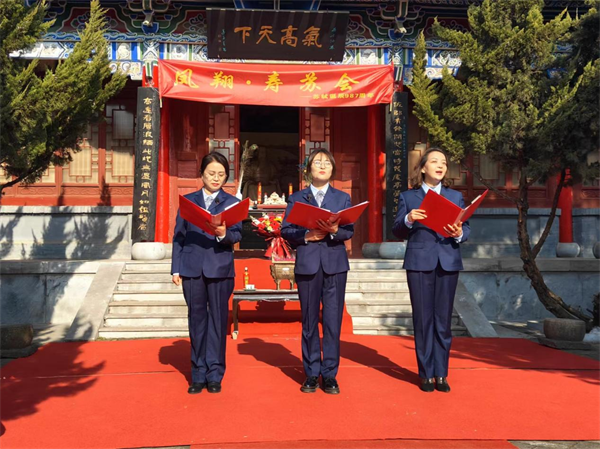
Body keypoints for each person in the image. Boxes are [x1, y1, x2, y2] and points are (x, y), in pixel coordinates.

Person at [392, 147, 470, 393]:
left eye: (444, 163)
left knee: (443, 321)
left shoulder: (455, 196)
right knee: (423, 319)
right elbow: (397, 229)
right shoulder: (409, 197)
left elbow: (466, 228)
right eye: (434, 161)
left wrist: (459, 233)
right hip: (419, 262)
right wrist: (409, 219)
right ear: (423, 167)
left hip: (447, 261)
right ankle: (426, 373)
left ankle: (441, 373)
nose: (440, 166)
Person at [281, 149, 354, 394]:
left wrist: (334, 231)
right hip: (308, 264)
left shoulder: (342, 198)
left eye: (327, 163)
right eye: (317, 162)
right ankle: (311, 373)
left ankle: (330, 374)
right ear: (309, 169)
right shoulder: (297, 198)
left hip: (335, 265)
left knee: (333, 321)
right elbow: (286, 230)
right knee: (309, 321)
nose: (322, 166)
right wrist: (306, 235)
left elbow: (349, 230)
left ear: (332, 169)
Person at [171, 152, 242, 395]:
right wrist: (176, 267)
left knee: (218, 321)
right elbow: (179, 236)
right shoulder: (188, 201)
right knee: (196, 320)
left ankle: (215, 374)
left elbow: (237, 234)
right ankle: (198, 374)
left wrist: (223, 233)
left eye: (221, 174)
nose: (216, 178)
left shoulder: (231, 202)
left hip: (220, 268)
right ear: (201, 174)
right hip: (192, 268)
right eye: (211, 173)